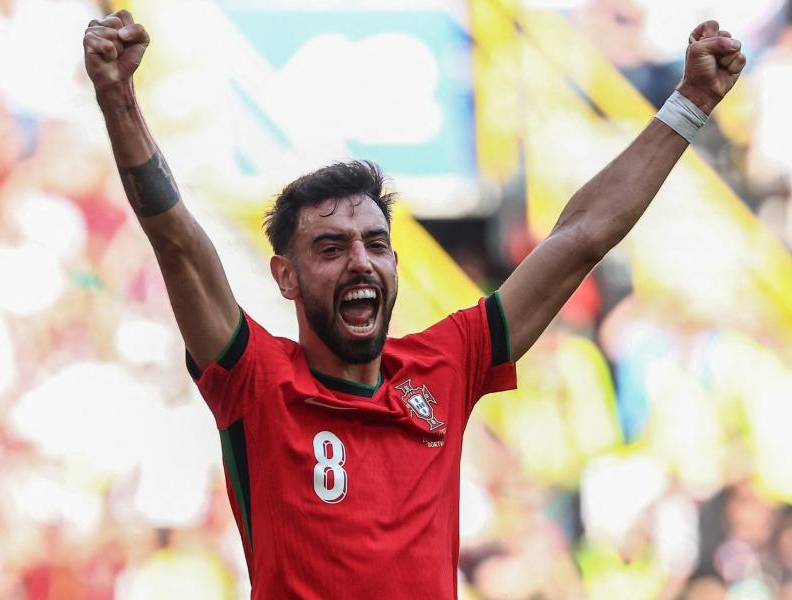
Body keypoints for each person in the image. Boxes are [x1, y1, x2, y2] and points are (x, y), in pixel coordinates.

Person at [83, 10, 745, 598]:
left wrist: (689, 102)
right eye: (332, 247)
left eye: (375, 242)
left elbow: (579, 237)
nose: (361, 260)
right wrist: (119, 102)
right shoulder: (256, 382)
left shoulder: (446, 365)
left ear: (397, 264)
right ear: (284, 277)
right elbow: (175, 239)